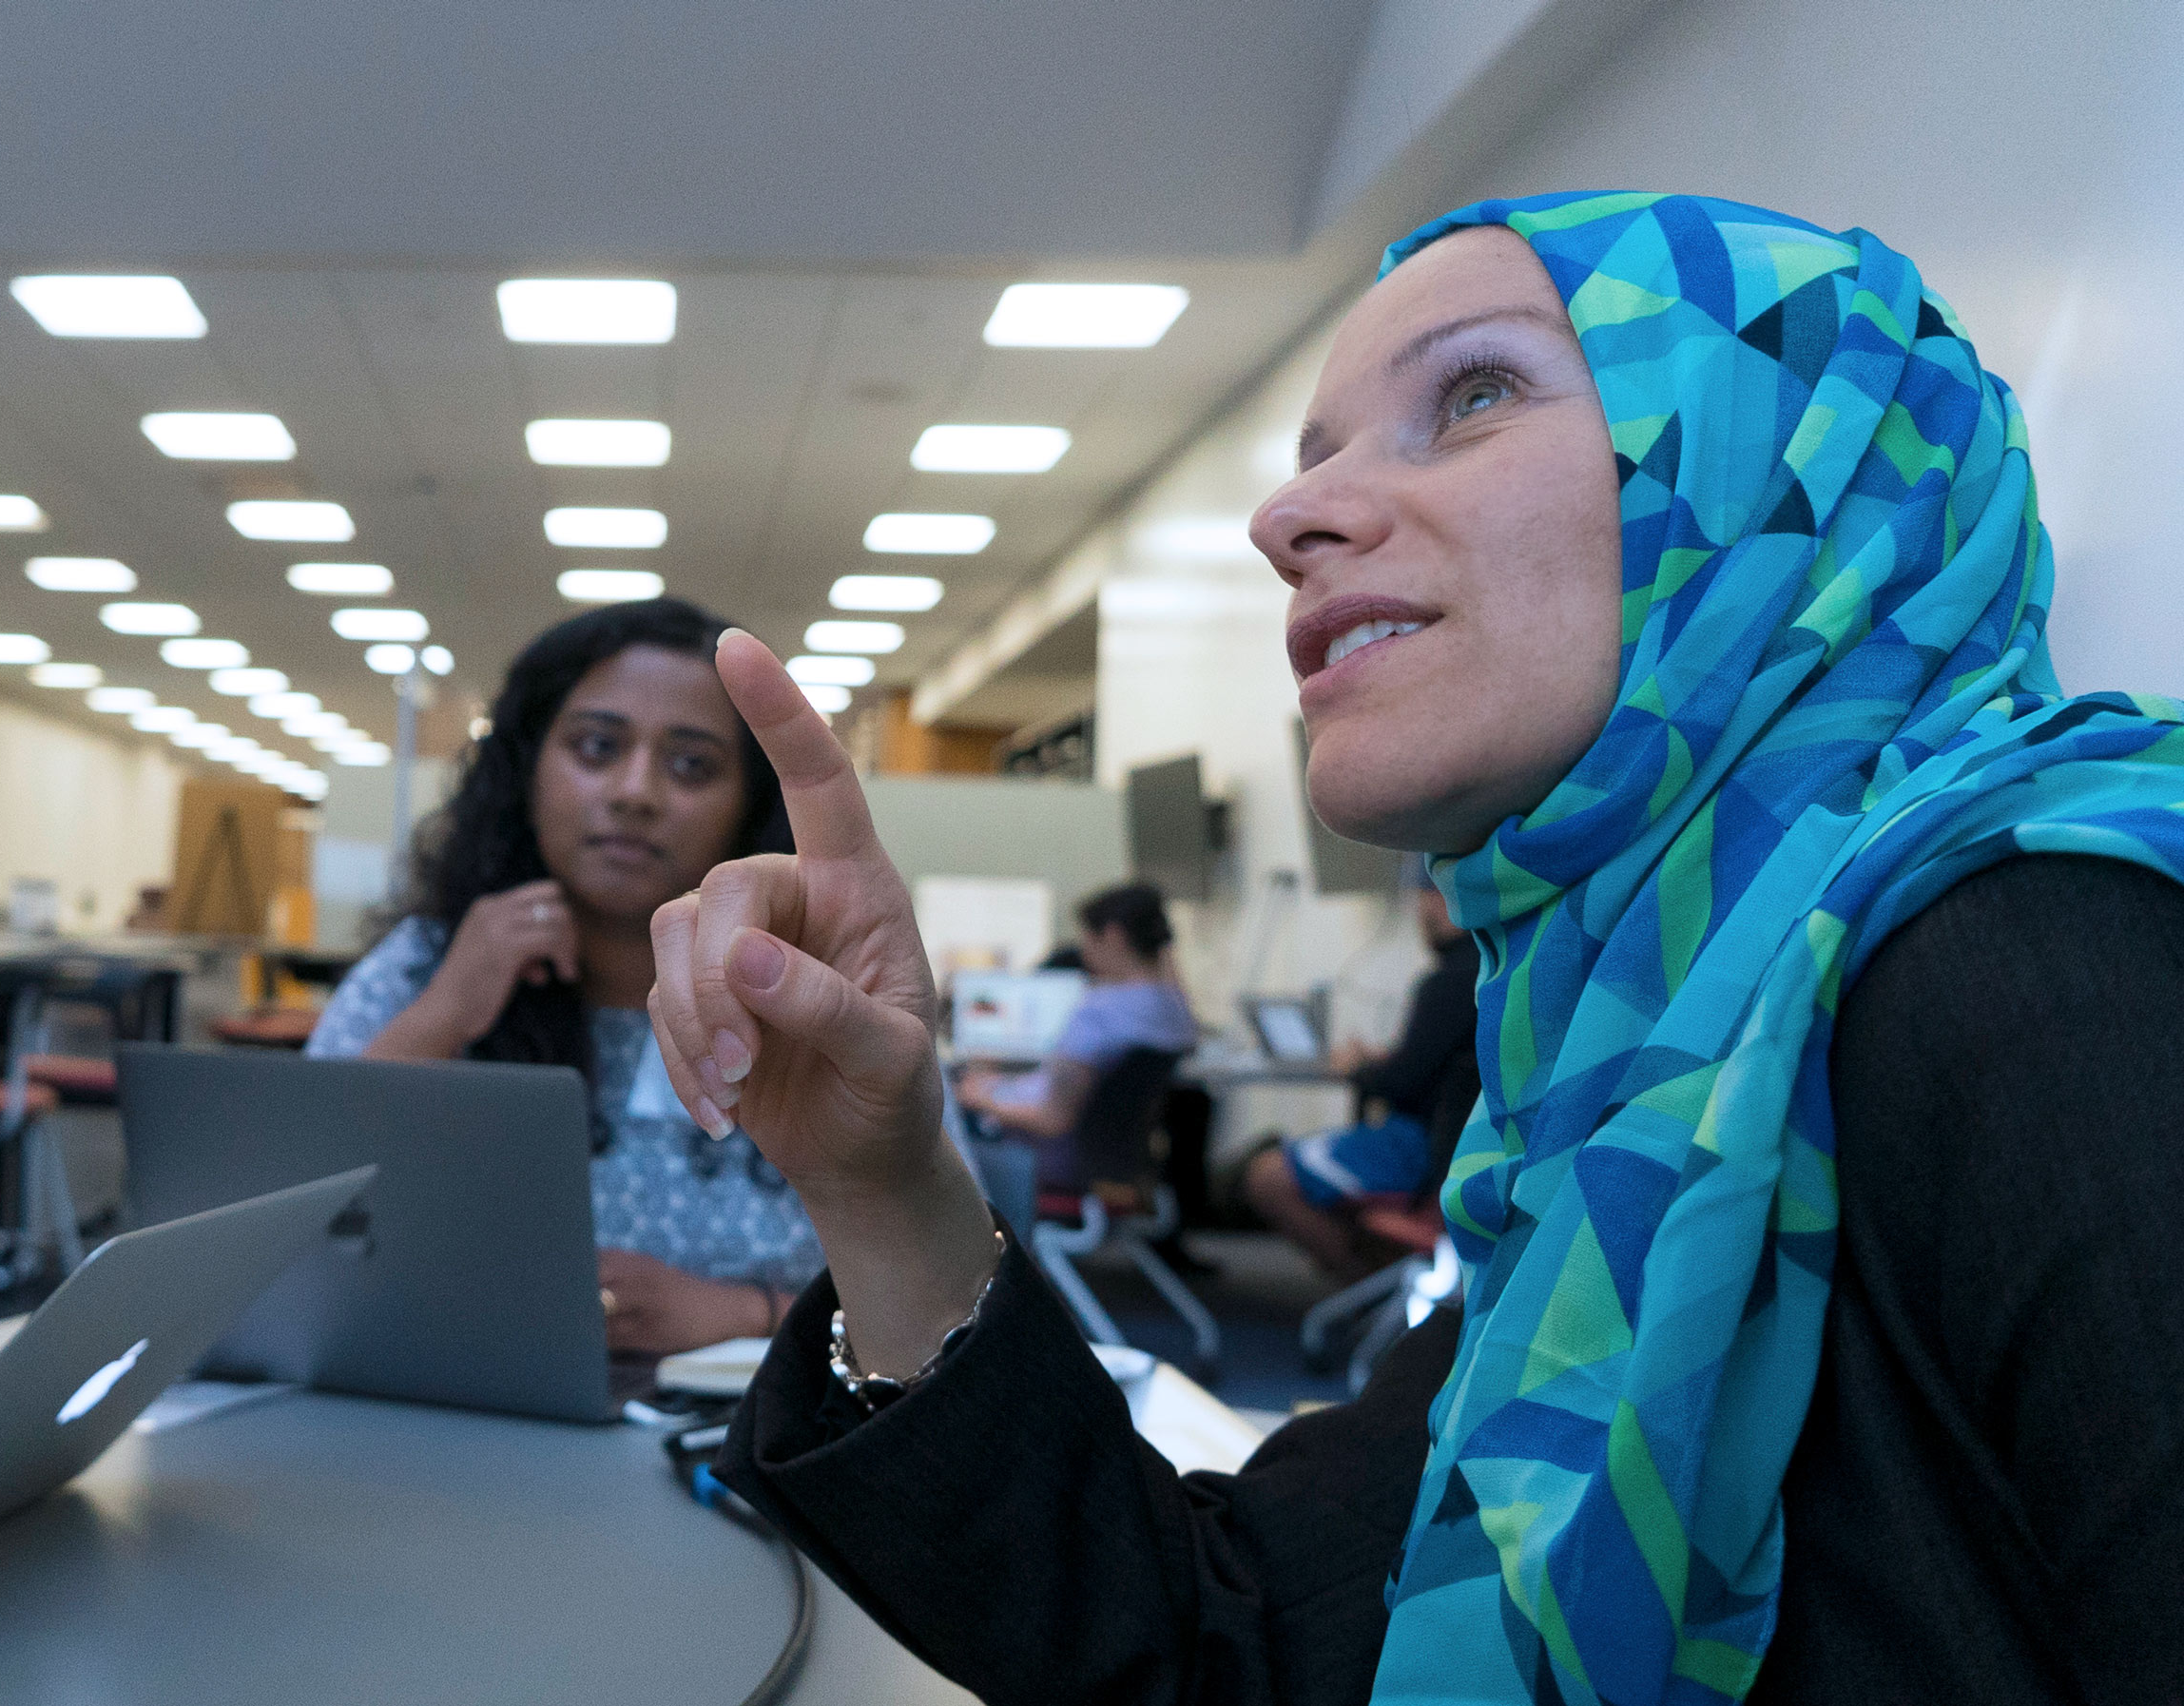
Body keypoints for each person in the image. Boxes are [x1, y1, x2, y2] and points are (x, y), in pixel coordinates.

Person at [651, 194, 2184, 1702]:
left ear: (1789, 473)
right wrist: (884, 1179)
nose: (1284, 521)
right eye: (1311, 457)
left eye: (1475, 392)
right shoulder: (1632, 1060)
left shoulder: (2050, 956)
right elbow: (1231, 1638)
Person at [305, 597, 815, 1357]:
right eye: (596, 747)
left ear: (749, 805)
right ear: (526, 771)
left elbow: (952, 1272)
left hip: (753, 1417)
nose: (635, 792)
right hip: (452, 1399)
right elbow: (288, 1220)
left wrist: (747, 1312)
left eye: (691, 765)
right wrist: (445, 1014)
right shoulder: (427, 962)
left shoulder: (801, 989)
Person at [1239, 876, 1479, 1280]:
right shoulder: (1492, 975)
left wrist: (1358, 1069)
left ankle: (1368, 1288)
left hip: (1422, 1152)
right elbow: (1432, 1067)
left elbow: (1400, 1083)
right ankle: (1387, 1286)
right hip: (1464, 1152)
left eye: (1428, 897)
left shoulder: (1449, 982)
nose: (1421, 910)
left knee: (1267, 1175)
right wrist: (1383, 1062)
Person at [950, 882, 1199, 1218]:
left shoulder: (1098, 1012)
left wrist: (979, 1098)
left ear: (1112, 935)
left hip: (1057, 1162)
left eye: (1087, 937)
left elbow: (1053, 1120)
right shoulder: (1174, 1010)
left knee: (949, 1116)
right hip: (1122, 1161)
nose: (1082, 950)